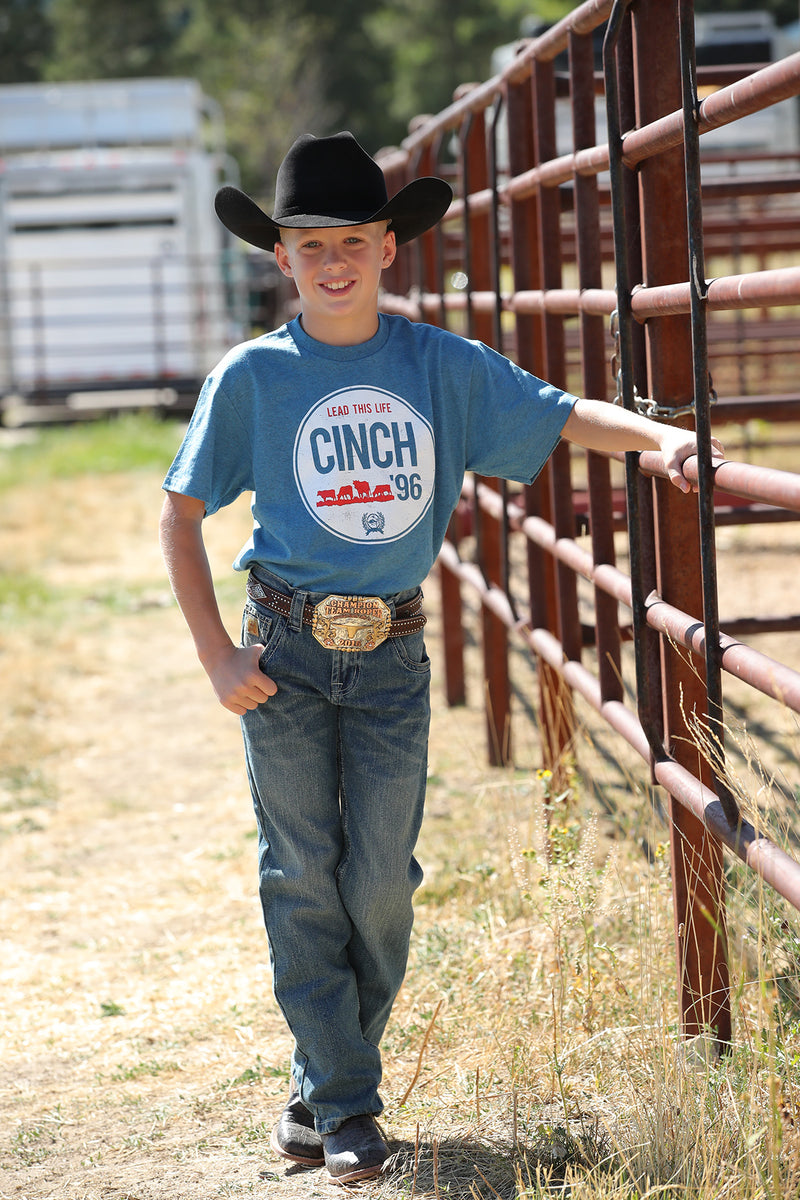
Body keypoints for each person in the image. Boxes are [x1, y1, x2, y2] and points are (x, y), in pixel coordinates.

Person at [159, 131, 723, 1185]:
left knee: (378, 884)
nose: (332, 262)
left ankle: (319, 1083)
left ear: (387, 248)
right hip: (280, 649)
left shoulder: (434, 367)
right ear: (280, 258)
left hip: (389, 658)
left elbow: (556, 418)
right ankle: (344, 1105)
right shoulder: (254, 376)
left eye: (351, 242)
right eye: (309, 245)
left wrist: (658, 443)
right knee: (301, 875)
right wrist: (212, 652)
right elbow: (180, 512)